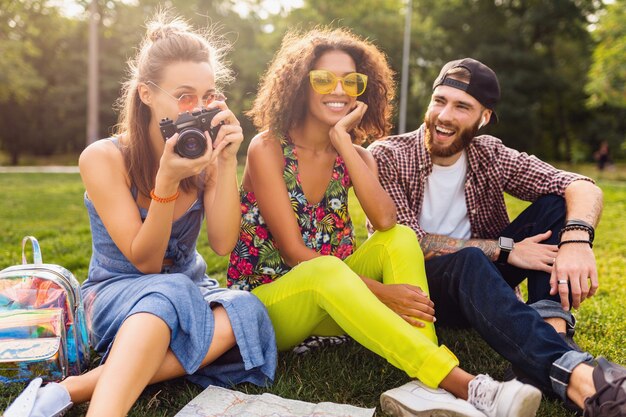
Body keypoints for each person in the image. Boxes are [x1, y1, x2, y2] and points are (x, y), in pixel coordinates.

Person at [227, 29, 542, 417]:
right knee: (324, 268)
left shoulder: (356, 153)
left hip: (335, 299)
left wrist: (342, 141)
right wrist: (379, 291)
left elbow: (385, 220)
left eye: (351, 81)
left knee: (400, 238)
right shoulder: (267, 147)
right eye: (323, 79)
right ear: (299, 85)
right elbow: (295, 254)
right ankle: (464, 384)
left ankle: (421, 386)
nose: (338, 89)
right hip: (267, 306)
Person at [4, 13, 276, 417]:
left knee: (247, 310)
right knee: (168, 291)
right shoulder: (103, 157)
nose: (198, 109)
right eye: (184, 96)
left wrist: (226, 164)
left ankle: (65, 392)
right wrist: (165, 183)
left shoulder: (204, 153)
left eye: (208, 96)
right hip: (117, 292)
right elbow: (146, 262)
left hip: (188, 285)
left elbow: (222, 243)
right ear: (147, 94)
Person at [369, 57, 626, 415]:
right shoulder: (388, 156)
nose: (444, 115)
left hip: (483, 284)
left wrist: (577, 240)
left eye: (462, 107)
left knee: (555, 205)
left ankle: (551, 333)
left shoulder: (489, 153)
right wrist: (505, 250)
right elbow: (409, 240)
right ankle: (579, 376)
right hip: (421, 291)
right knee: (470, 260)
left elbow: (579, 184)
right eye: (439, 100)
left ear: (483, 117)